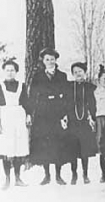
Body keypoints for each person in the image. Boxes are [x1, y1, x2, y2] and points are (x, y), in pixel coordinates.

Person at [28, 47, 69, 185]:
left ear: (56, 60)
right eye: (47, 59)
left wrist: (64, 114)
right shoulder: (38, 76)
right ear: (43, 61)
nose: (50, 62)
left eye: (52, 59)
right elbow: (32, 96)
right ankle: (47, 175)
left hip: (57, 112)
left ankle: (58, 175)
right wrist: (30, 113)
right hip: (42, 113)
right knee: (44, 144)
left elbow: (66, 96)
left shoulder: (62, 76)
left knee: (58, 143)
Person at [65, 62, 98, 185]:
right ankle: (74, 174)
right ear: (73, 74)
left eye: (80, 71)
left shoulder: (90, 87)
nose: (78, 74)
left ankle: (85, 174)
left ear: (85, 72)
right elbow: (66, 103)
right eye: (75, 72)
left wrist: (93, 118)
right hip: (72, 121)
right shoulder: (69, 86)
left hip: (85, 121)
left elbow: (93, 104)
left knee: (84, 149)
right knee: (73, 149)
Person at [0, 60, 30, 189]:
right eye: (7, 70)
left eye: (12, 70)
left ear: (16, 72)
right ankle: (7, 179)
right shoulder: (0, 86)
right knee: (6, 149)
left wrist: (28, 115)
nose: (10, 72)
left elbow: (26, 102)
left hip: (19, 117)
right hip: (4, 118)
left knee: (18, 148)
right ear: (4, 71)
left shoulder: (21, 86)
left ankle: (18, 178)